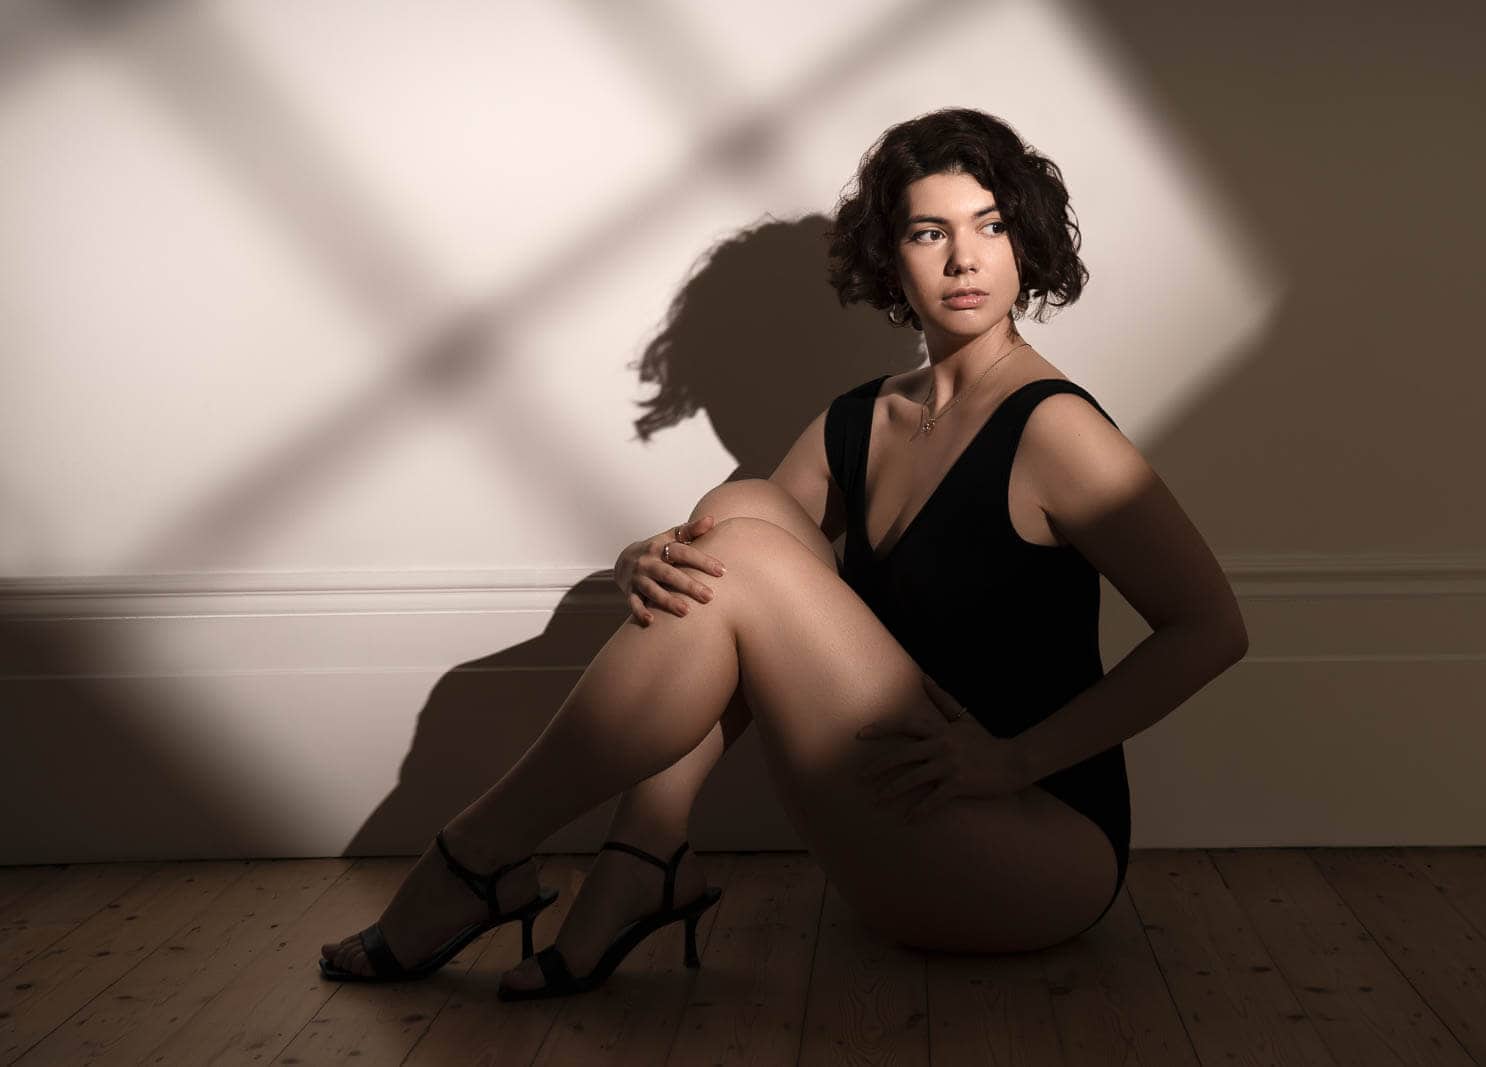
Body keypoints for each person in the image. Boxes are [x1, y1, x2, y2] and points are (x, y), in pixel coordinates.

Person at [320, 107, 1248, 999]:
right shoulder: (861, 419)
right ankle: (642, 855)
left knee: (745, 545)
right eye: (930, 232)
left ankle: (478, 858)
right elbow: (724, 559)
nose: (965, 258)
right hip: (902, 826)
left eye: (991, 225)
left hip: (1036, 852)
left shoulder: (1058, 429)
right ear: (891, 255)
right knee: (739, 509)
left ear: (1024, 241)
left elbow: (1210, 629)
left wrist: (1012, 761)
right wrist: (634, 557)